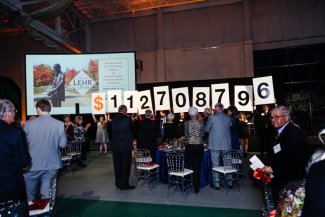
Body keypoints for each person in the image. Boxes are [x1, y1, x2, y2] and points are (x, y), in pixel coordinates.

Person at [262, 105, 309, 204]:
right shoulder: (282, 131)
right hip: (282, 179)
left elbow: (296, 159)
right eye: (272, 117)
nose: (273, 120)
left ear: (287, 118)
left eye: (277, 117)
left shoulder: (292, 133)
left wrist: (273, 168)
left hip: (290, 182)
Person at [23, 99, 67, 202]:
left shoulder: (28, 124)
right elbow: (63, 145)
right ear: (49, 108)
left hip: (31, 165)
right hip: (51, 164)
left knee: (29, 194)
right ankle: (46, 214)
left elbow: (23, 144)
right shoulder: (60, 124)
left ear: (38, 109)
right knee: (47, 194)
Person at [0, 99, 31, 216]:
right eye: (14, 111)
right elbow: (24, 162)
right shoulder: (16, 133)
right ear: (8, 113)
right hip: (11, 190)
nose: (15, 113)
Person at [205, 103, 232, 189]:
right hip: (226, 144)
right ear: (222, 109)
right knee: (228, 163)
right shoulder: (228, 117)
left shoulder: (211, 117)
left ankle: (217, 184)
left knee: (215, 164)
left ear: (216, 109)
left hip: (215, 144)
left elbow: (206, 129)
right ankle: (229, 183)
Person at [110, 105, 135, 190]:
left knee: (117, 166)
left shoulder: (113, 119)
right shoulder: (128, 119)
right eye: (126, 111)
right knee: (125, 166)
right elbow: (133, 130)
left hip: (115, 146)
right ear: (124, 111)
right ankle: (124, 185)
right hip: (126, 147)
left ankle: (118, 183)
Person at [184, 106, 205, 193]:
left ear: (189, 114)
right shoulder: (201, 123)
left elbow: (185, 134)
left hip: (189, 145)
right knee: (197, 167)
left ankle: (186, 184)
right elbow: (203, 134)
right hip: (198, 145)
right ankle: (196, 187)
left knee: (187, 165)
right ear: (197, 114)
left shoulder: (186, 123)